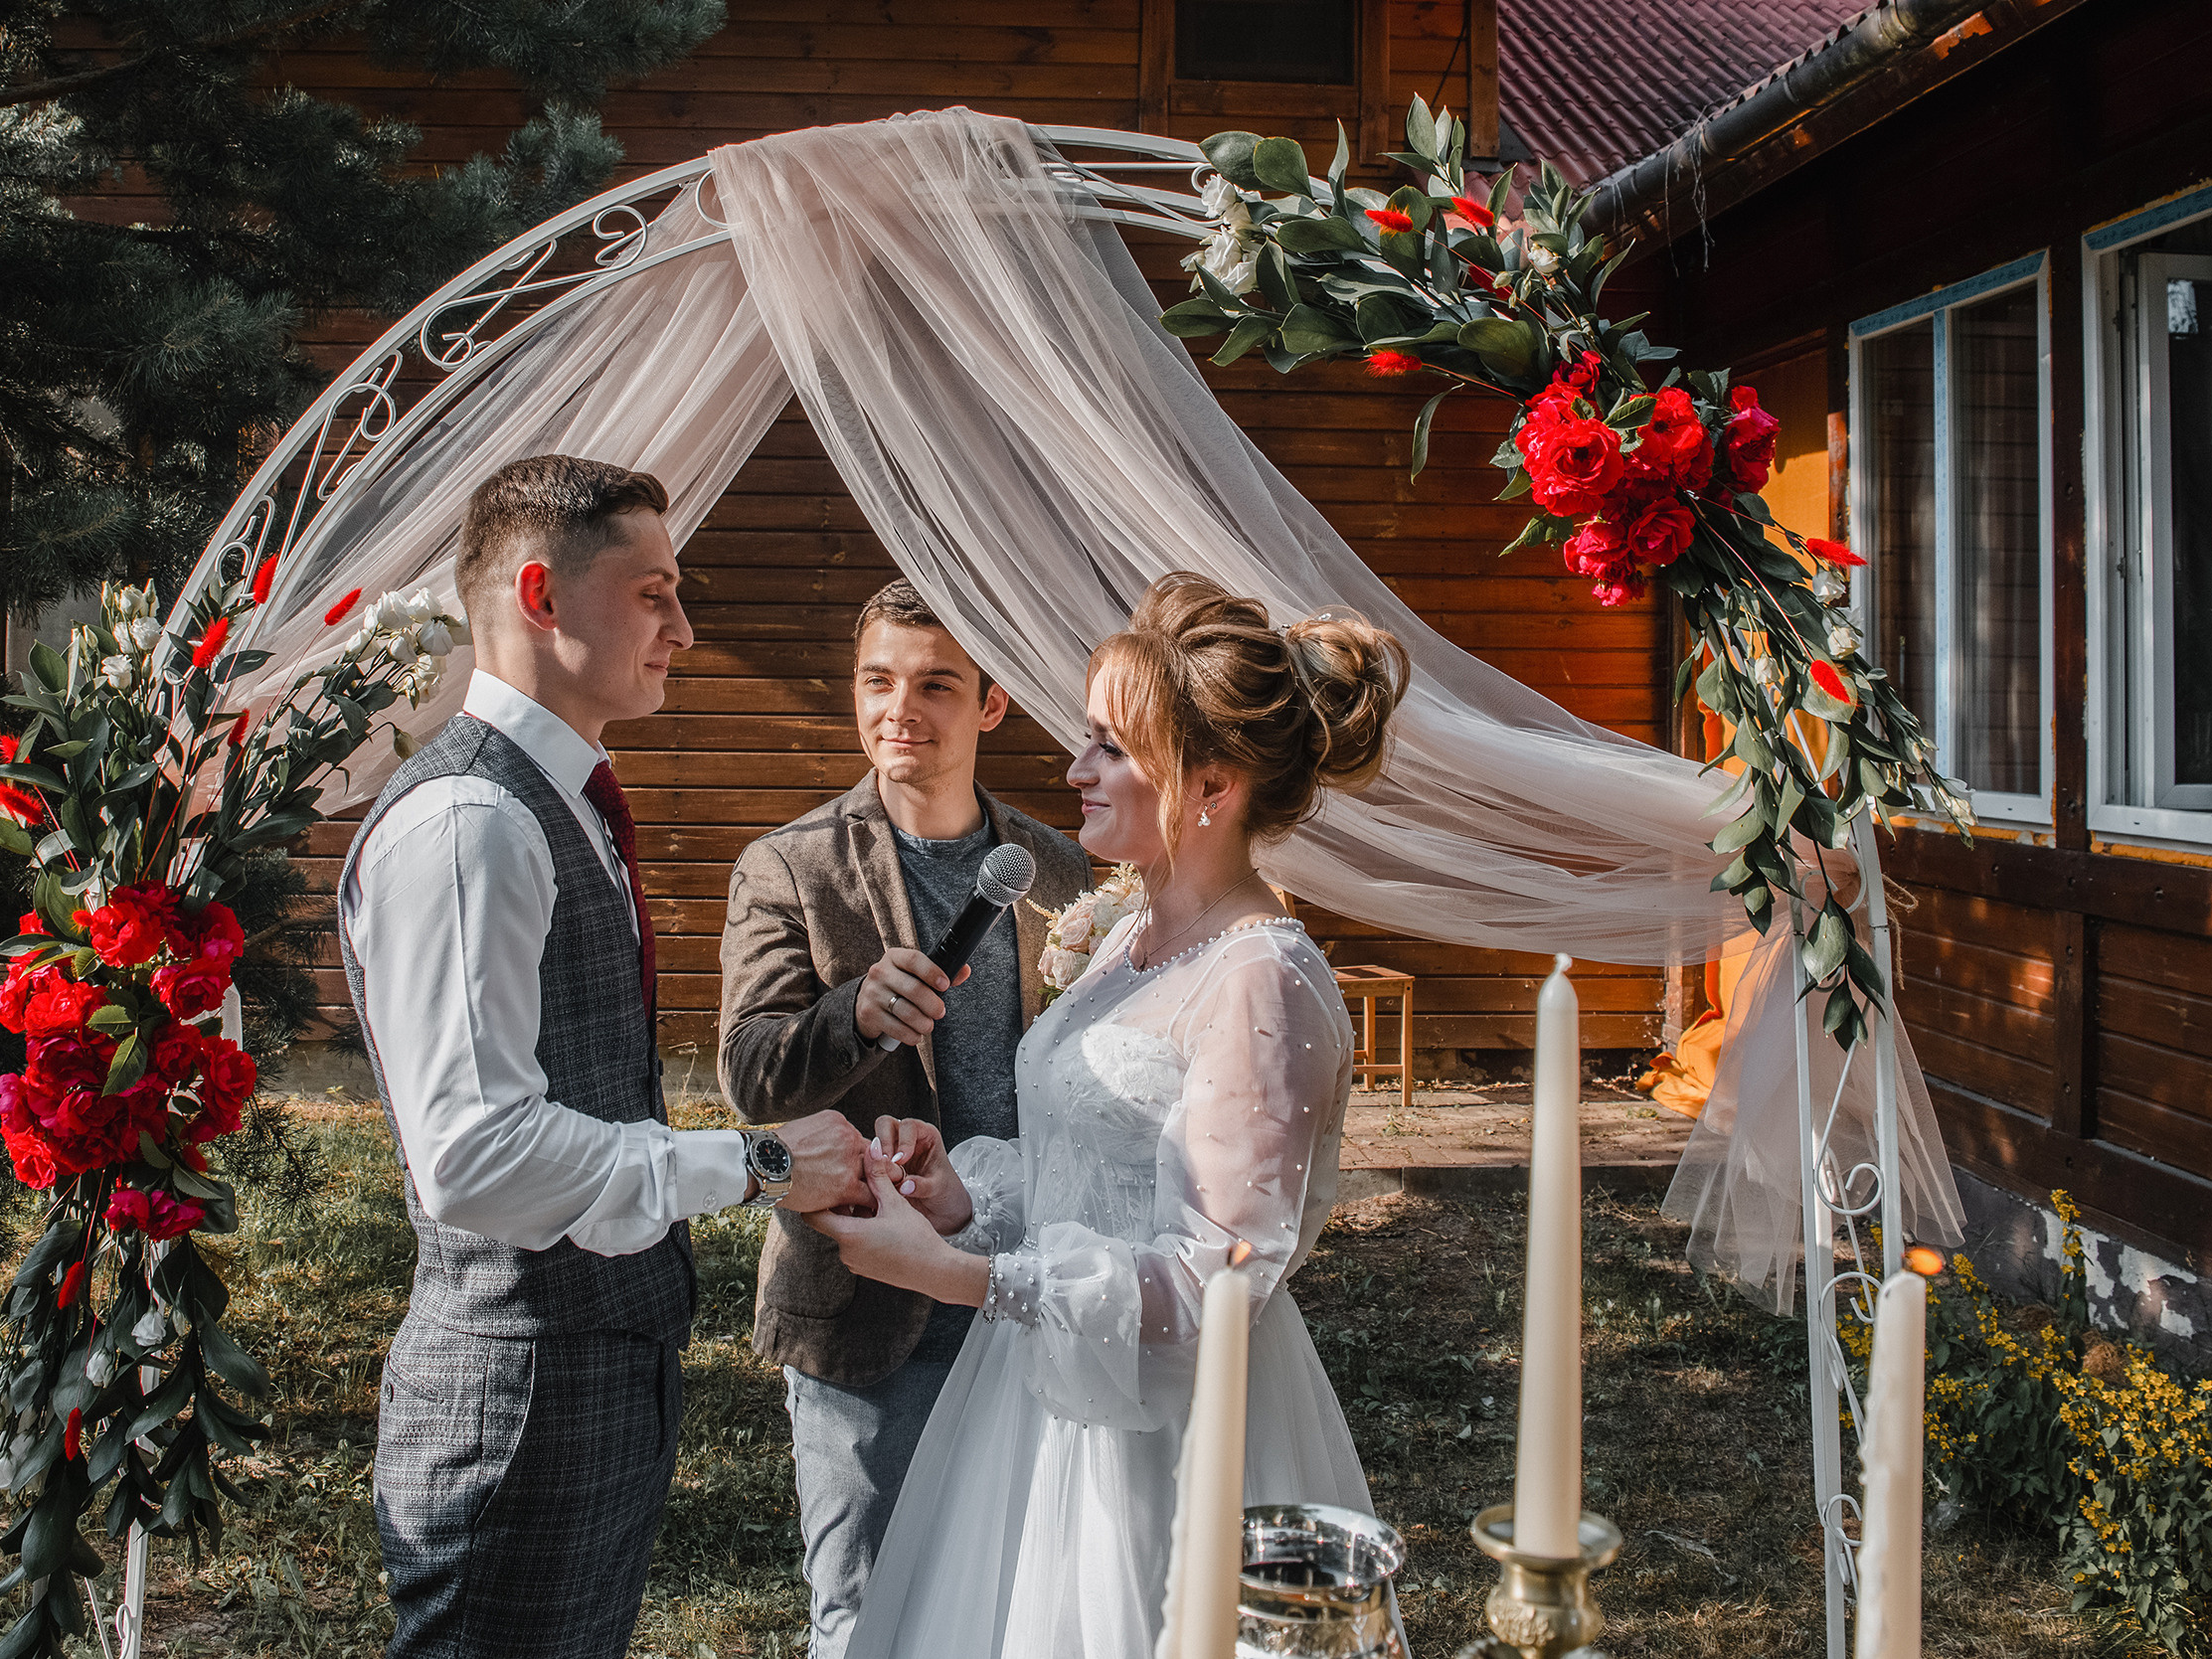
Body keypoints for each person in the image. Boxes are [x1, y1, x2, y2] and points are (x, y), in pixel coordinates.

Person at [805, 572, 1411, 1659]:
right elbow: (1096, 1172)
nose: (1073, 770)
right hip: (1039, 1401)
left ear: (1209, 786)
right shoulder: (1125, 938)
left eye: (1110, 750)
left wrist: (953, 1276)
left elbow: (1214, 1276)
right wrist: (963, 1195)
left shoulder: (1260, 979)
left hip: (1164, 1430)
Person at [338, 454, 869, 1659]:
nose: (684, 627)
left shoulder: (557, 796)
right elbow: (475, 1157)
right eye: (654, 592)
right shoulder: (471, 821)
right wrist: (754, 1161)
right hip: (517, 1392)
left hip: (589, 1372)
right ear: (539, 595)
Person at [718, 580, 1093, 1659]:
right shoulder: (789, 865)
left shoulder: (1057, 869)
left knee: (1028, 1602)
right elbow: (749, 1077)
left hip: (1035, 1280)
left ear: (991, 704)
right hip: (870, 1305)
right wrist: (849, 1018)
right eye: (878, 680)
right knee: (870, 1614)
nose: (900, 708)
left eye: (935, 684)